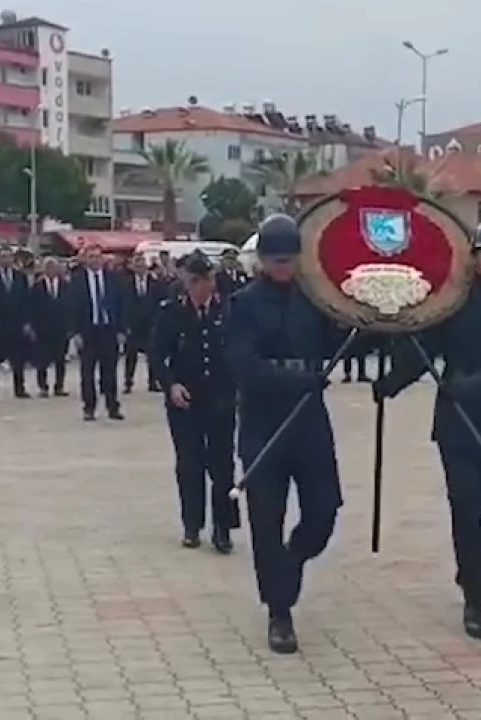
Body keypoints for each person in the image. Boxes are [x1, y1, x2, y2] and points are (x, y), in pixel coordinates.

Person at [373, 221, 481, 641]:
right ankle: (476, 601)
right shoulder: (453, 302)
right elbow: (426, 350)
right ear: (475, 257)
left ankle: (476, 564)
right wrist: (391, 383)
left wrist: (474, 387)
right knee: (466, 505)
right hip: (455, 421)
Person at [224, 214, 343, 655]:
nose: (281, 263)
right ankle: (279, 611)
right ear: (262, 259)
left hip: (309, 419)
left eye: (288, 256)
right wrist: (297, 381)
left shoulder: (315, 300)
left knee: (325, 508)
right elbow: (244, 366)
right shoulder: (243, 303)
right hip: (263, 422)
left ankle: (292, 561)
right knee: (266, 518)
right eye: (274, 257)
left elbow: (340, 340)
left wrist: (374, 320)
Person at [150, 252, 241, 551]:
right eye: (196, 281)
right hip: (185, 402)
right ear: (187, 283)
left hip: (221, 400)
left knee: (223, 467)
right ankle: (192, 525)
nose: (203, 287)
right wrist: (170, 385)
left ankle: (223, 529)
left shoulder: (228, 311)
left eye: (207, 280)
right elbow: (156, 355)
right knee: (189, 465)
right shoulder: (172, 312)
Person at [70, 245, 126, 422]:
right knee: (87, 371)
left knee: (109, 371)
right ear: (86, 259)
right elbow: (71, 307)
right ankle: (89, 407)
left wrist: (122, 330)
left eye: (97, 256)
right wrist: (75, 333)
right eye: (91, 257)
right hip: (88, 331)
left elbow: (122, 305)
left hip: (108, 330)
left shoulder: (113, 279)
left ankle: (112, 406)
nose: (95, 260)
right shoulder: (77, 280)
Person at [0, 246, 33, 400]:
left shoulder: (19, 276)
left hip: (16, 323)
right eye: (3, 257)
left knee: (18, 359)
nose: (6, 260)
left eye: (8, 257)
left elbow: (26, 300)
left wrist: (26, 322)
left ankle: (19, 388)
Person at [31, 258, 72, 398]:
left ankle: (59, 386)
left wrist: (70, 327)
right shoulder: (37, 286)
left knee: (60, 359)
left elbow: (70, 306)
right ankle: (43, 387)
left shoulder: (65, 285)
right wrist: (32, 326)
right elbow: (31, 308)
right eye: (47, 267)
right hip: (42, 328)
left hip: (61, 328)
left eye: (53, 267)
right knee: (42, 359)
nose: (50, 270)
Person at [123, 253, 162, 394]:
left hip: (150, 323)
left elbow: (159, 302)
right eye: (137, 265)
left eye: (142, 265)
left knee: (152, 354)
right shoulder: (126, 283)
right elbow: (123, 304)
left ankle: (152, 382)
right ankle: (128, 382)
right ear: (133, 267)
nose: (140, 268)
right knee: (130, 355)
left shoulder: (155, 282)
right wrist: (125, 324)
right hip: (133, 324)